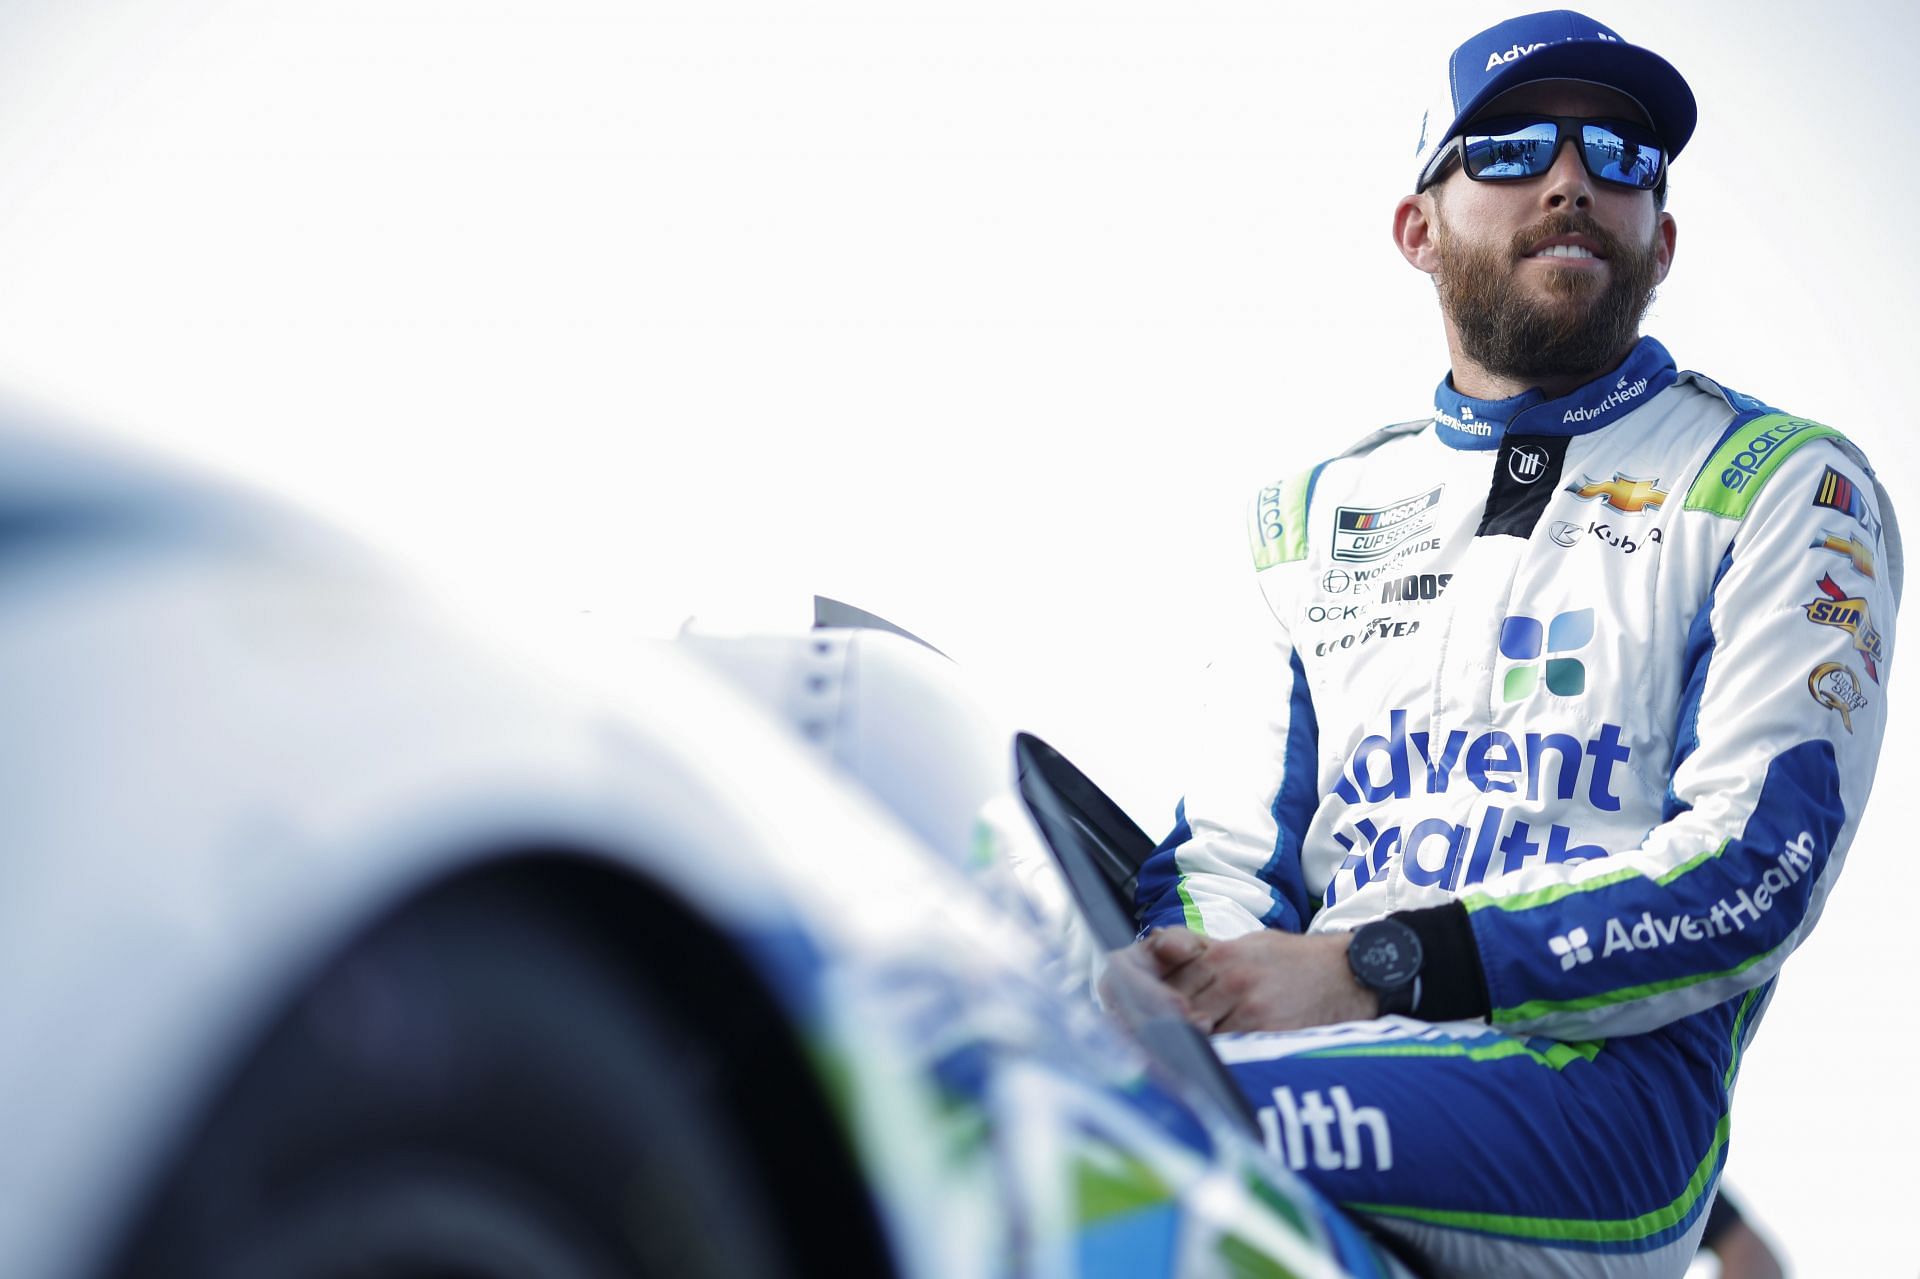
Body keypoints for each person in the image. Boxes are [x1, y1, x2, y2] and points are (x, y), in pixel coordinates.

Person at [1126, 10, 1899, 1278]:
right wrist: (1215, 984)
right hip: (1327, 1048)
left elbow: (1757, 868)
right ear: (1415, 227)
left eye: (1621, 156)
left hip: (1599, 1107)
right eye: (1512, 146)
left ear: (1663, 236)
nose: (1571, 178)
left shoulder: (1785, 481)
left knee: (1131, 1121)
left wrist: (1374, 968)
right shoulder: (1307, 517)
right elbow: (1223, 853)